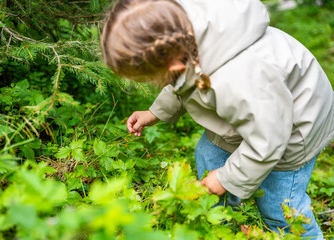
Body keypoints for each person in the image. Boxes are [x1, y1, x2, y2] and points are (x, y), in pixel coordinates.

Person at [101, 0, 334, 238]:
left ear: (172, 61)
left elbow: (269, 140)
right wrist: (155, 112)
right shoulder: (184, 39)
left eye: (150, 77)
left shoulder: (240, 77)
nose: (150, 83)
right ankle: (222, 223)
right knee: (209, 155)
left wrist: (225, 179)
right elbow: (183, 82)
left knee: (280, 207)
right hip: (253, 115)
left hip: (293, 130)